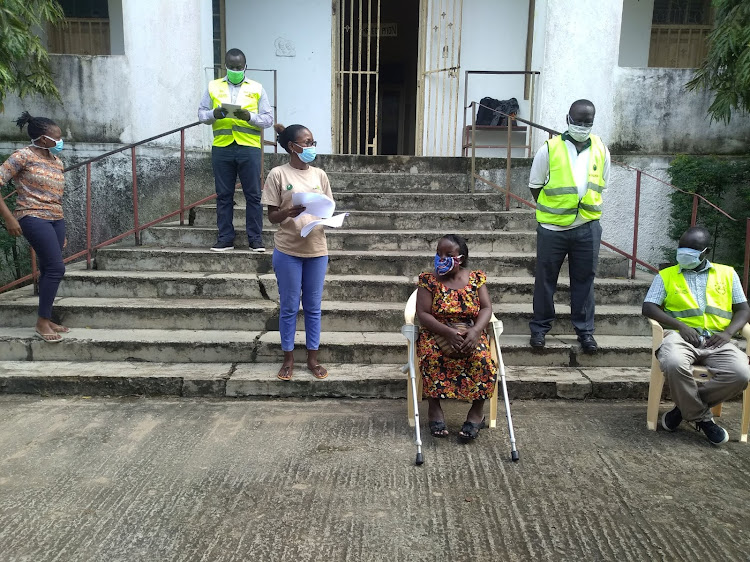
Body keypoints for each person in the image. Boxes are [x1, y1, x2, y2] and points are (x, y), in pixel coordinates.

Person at [642, 226, 750, 445]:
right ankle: (703, 420)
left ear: (705, 252)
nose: (684, 253)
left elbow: (744, 309)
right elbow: (649, 307)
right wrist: (680, 326)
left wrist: (728, 332)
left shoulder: (728, 274)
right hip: (681, 337)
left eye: (692, 250)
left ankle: (682, 411)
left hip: (717, 340)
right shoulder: (666, 275)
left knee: (741, 373)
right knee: (673, 362)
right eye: (682, 248)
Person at [528, 99, 610, 354]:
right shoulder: (549, 149)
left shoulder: (601, 149)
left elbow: (603, 183)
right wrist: (556, 211)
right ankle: (540, 330)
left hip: (587, 227)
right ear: (567, 119)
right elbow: (535, 185)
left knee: (584, 281)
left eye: (588, 122)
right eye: (578, 121)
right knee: (545, 280)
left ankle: (585, 332)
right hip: (553, 229)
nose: (582, 126)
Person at [261, 123, 332, 381]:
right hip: (288, 250)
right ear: (293, 146)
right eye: (307, 142)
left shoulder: (320, 175)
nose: (312, 147)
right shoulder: (278, 174)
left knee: (313, 307)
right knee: (289, 307)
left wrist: (326, 218)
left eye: (313, 142)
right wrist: (287, 212)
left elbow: (327, 208)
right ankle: (288, 358)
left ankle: (313, 358)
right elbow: (271, 216)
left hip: (316, 249)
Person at [416, 234, 497, 442]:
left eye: (448, 255)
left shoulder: (476, 278)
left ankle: (476, 413)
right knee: (431, 356)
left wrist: (477, 330)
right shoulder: (428, 280)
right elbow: (423, 314)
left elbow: (487, 307)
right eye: (438, 254)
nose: (441, 259)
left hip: (470, 330)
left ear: (460, 258)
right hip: (437, 331)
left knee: (483, 360)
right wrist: (447, 332)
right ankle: (434, 409)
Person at [0, 112, 68, 342]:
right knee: (57, 269)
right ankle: (41, 322)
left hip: (56, 219)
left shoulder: (56, 160)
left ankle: (47, 319)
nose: (60, 141)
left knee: (49, 269)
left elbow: (55, 195)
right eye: (56, 138)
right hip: (31, 216)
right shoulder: (23, 156)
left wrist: (60, 228)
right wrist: (9, 218)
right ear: (41, 138)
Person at [198, 48, 273, 253]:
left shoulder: (257, 88)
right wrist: (214, 113)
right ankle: (225, 238)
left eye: (239, 67)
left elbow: (268, 119)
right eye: (231, 67)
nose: (235, 70)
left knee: (253, 195)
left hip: (248, 147)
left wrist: (250, 117)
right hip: (222, 147)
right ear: (225, 66)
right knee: (223, 195)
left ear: (245, 66)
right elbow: (202, 114)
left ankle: (255, 239)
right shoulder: (213, 86)